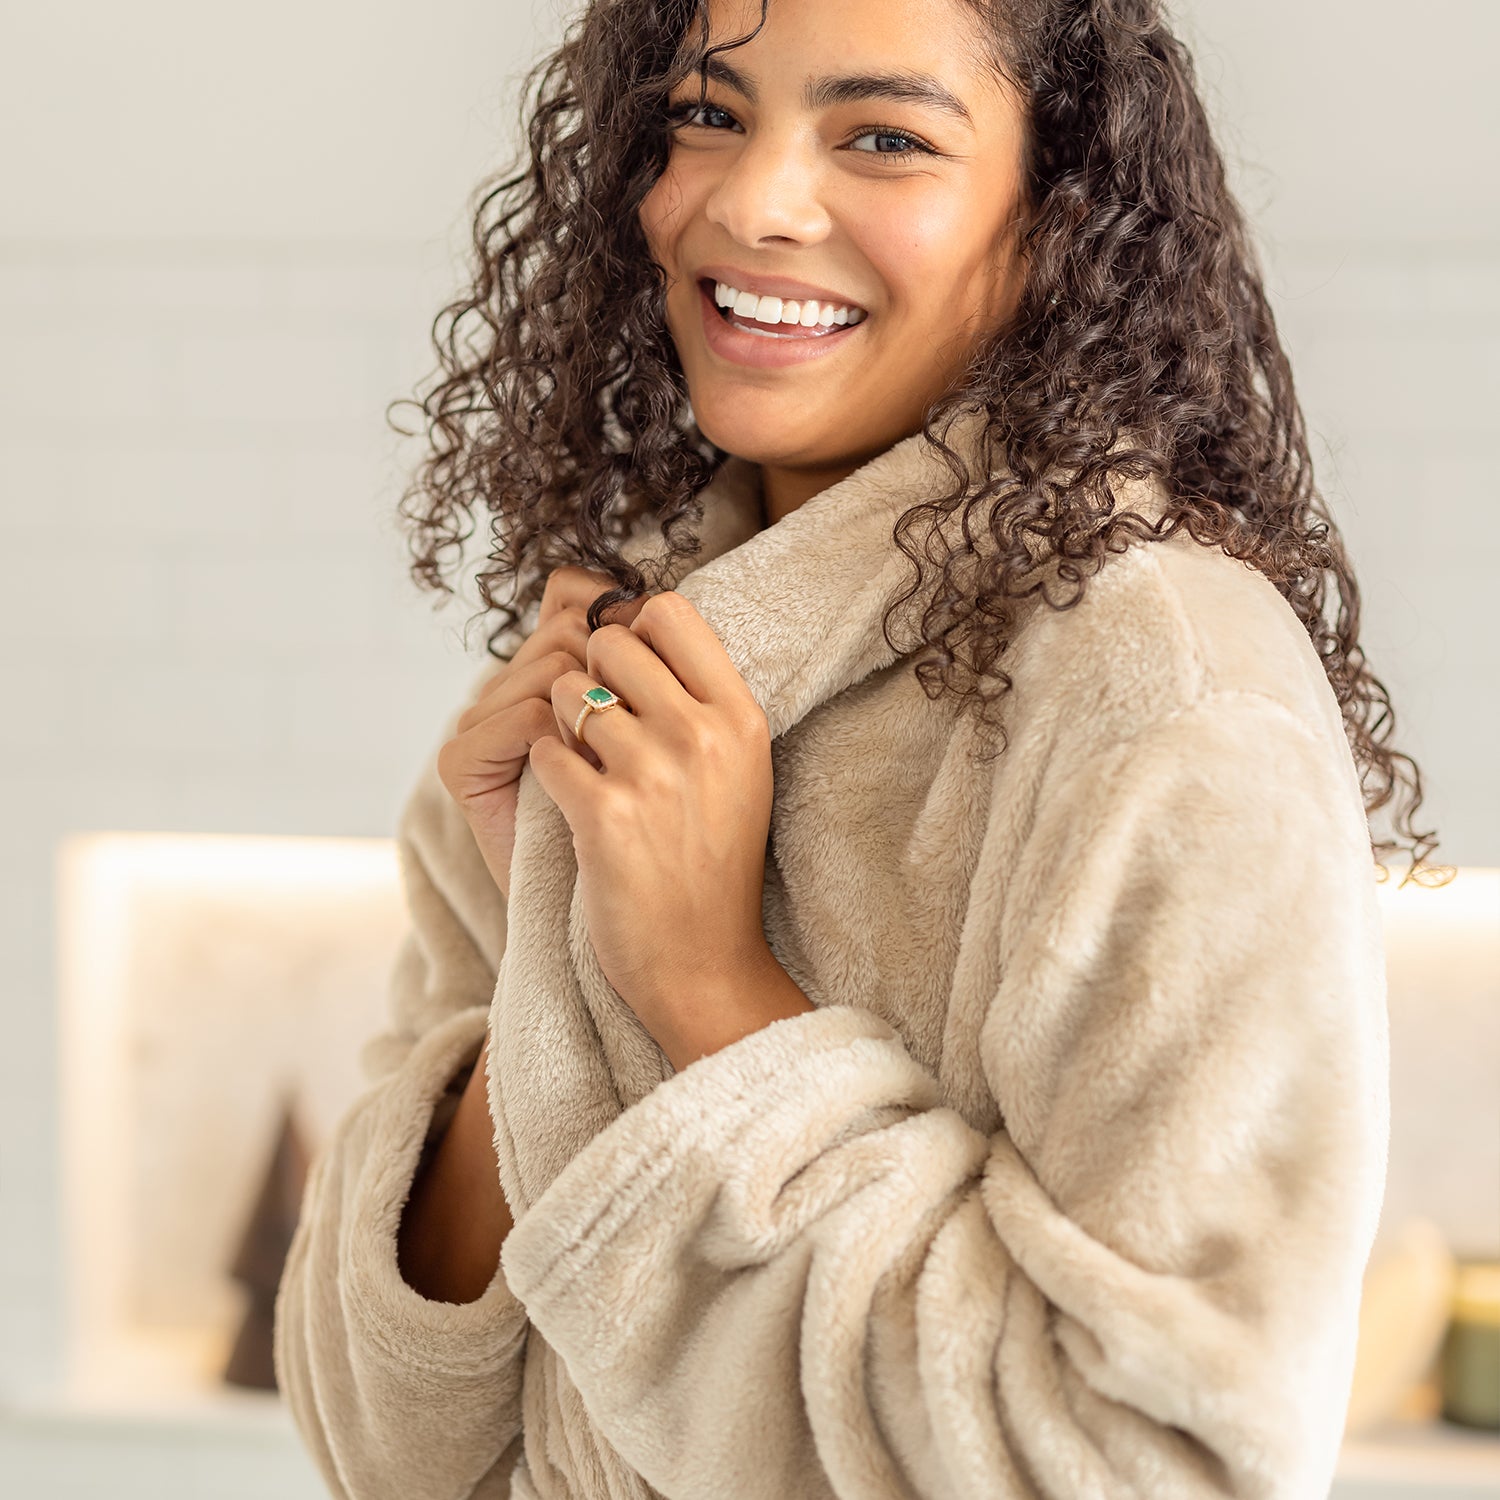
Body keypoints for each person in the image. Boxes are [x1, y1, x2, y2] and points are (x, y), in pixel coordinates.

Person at [272, 0, 1447, 1496]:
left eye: (884, 138)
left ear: (1059, 217)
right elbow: (381, 1446)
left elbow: (1159, 1463)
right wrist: (552, 964)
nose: (750, 202)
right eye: (707, 112)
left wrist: (705, 987)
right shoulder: (617, 671)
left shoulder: (1166, 693)